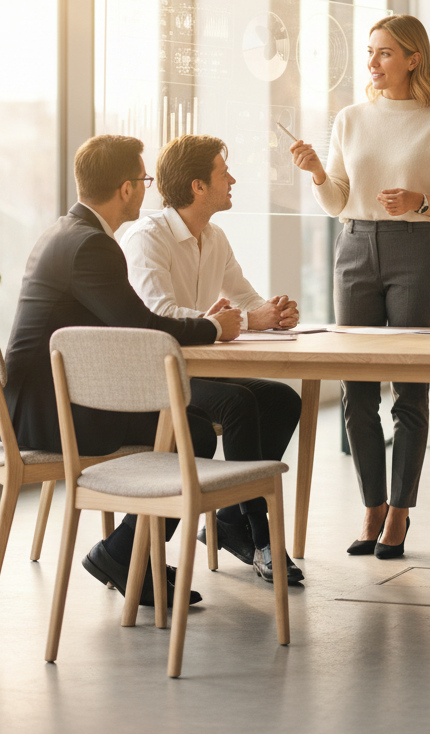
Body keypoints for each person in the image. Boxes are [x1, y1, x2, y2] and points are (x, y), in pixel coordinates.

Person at [0, 135, 229, 607]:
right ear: (125, 189)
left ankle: (136, 557)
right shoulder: (92, 246)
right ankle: (123, 556)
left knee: (187, 426)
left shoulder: (64, 231)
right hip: (50, 416)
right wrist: (214, 325)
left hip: (27, 407)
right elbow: (144, 328)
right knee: (190, 432)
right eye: (144, 180)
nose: (146, 189)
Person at [289, 14, 430, 558]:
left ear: (413, 58)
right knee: (356, 388)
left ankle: (399, 511)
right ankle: (371, 504)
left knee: (410, 387)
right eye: (371, 52)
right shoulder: (349, 118)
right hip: (354, 245)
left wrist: (419, 203)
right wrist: (320, 174)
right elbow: (341, 201)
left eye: (385, 52)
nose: (372, 62)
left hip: (414, 250)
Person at [121, 134, 304, 585]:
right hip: (151, 375)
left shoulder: (215, 236)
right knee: (238, 403)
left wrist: (274, 313)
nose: (233, 180)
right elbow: (158, 312)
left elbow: (245, 298)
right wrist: (247, 319)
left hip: (194, 371)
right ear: (198, 185)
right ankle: (262, 539)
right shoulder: (148, 236)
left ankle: (228, 519)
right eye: (225, 173)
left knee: (282, 399)